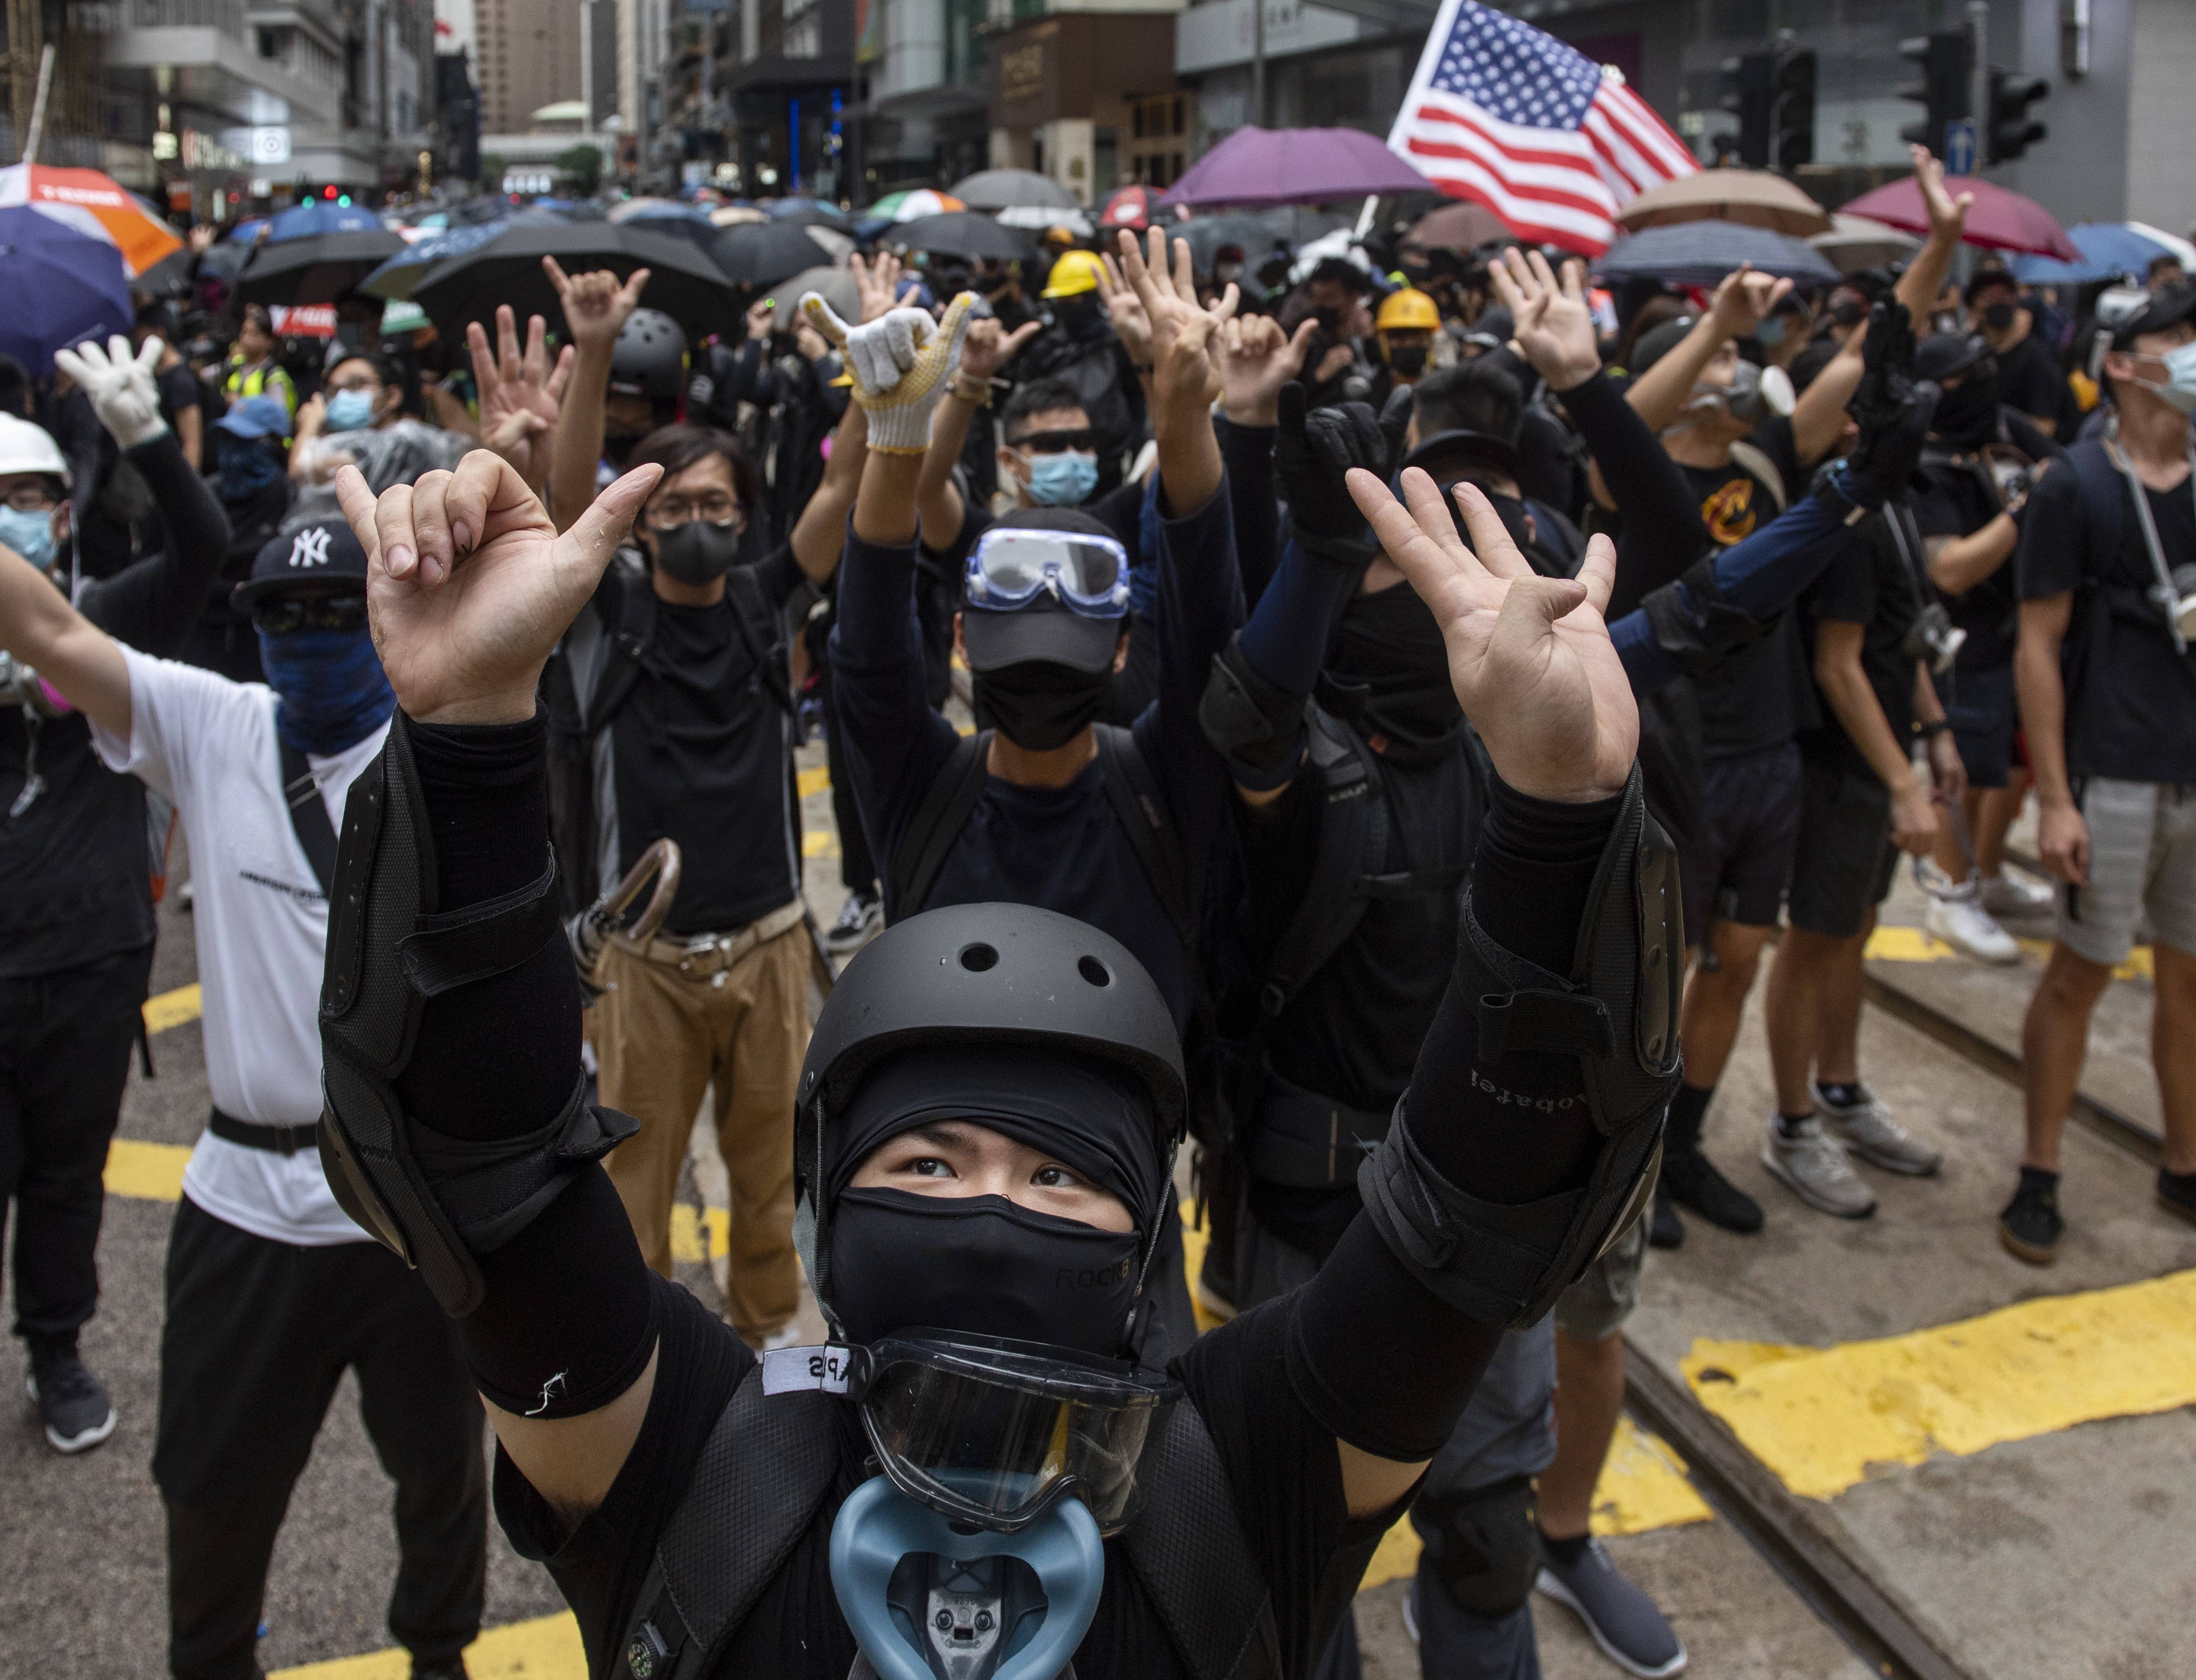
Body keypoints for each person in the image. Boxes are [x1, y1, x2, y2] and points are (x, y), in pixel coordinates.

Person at [306, 289, 1676, 1671]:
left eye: (1055, 1176)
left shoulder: (1223, 1486)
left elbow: (1472, 1226)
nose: (992, 1208)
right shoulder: (706, 1471)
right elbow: (489, 1187)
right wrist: (472, 734)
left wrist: (1564, 813)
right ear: (836, 1178)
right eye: (930, 1167)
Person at [0, 511, 487, 1680]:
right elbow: (43, 624)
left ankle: (440, 1655)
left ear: (384, 613)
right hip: (245, 1199)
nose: (313, 635)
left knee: (440, 1469)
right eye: (284, 614)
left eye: (337, 611)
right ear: (250, 627)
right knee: (208, 1482)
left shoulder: (455, 752)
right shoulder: (211, 724)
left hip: (409, 1204)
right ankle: (211, 1659)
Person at [1632, 149, 1968, 1245]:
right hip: (1669, 764)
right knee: (1652, 980)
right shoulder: (1627, 489)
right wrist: (1716, 331)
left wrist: (1939, 245)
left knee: (1737, 960)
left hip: (1768, 756)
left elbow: (1872, 355)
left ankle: (1682, 1147)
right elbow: (1617, 419)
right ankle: (1626, 1164)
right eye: (1713, 371)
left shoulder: (1773, 458)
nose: (1737, 382)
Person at [537, 262, 853, 1346]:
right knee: (633, 1199)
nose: (698, 521)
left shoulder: (767, 607)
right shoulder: (607, 615)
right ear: (640, 523)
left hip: (768, 950)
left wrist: (872, 381)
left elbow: (840, 497)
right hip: (645, 966)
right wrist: (591, 351)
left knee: (771, 1192)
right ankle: (652, 1369)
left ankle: (771, 1351)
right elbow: (569, 502)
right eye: (673, 506)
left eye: (718, 504)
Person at [0, 340, 227, 1456]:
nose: (19, 517)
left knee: (66, 1177)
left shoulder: (97, 637)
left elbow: (205, 549)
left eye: (34, 496)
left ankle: (58, 1347)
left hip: (89, 961)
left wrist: (149, 438)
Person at [2009, 279, 2196, 1263]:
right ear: (2119, 363)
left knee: (2189, 980)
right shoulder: (2075, 485)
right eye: (2175, 336)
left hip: (2190, 774)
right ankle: (2039, 1168)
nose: (2192, 350)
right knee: (2080, 974)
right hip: (2111, 770)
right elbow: (2036, 646)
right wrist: (2053, 796)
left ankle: (2183, 1157)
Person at [1759, 461, 1964, 1220]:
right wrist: (1900, 782)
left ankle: (1837, 1086)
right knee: (1813, 938)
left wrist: (1933, 730)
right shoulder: (1850, 517)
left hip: (1882, 760)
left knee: (1854, 931)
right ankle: (1790, 1123)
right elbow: (1837, 665)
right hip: (1841, 768)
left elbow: (1898, 639)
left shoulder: (1903, 502)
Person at [1903, 332, 2063, 963]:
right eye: (1962, 375)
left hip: (2018, 631)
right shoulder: (1925, 464)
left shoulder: (2003, 428)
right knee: (1962, 770)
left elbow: (2063, 466)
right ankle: (1951, 890)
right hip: (1960, 640)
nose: (1981, 381)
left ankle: (1988, 874)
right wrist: (2025, 510)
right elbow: (1951, 570)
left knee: (2014, 769)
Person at [1007, 246, 1148, 493]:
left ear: (1095, 296)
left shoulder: (1120, 344)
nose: (1067, 306)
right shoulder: (1047, 347)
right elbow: (1023, 407)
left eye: (1074, 298)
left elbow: (1138, 401)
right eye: (1061, 299)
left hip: (1108, 462)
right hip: (1052, 462)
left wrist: (1140, 455)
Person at [1965, 269, 2074, 439]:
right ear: (1973, 310)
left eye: (2005, 295)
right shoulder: (1977, 358)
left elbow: (2046, 427)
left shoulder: (2035, 357)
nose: (1998, 302)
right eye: (1989, 297)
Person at [221, 303, 298, 423]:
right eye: (244, 332)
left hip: (263, 440)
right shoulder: (234, 365)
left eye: (255, 334)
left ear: (270, 341)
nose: (246, 339)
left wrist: (241, 405)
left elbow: (278, 419)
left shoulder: (274, 375)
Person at [1369, 287, 1440, 406]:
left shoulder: (1446, 390)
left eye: (1416, 336)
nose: (1409, 344)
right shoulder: (1370, 391)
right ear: (1385, 341)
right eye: (1399, 337)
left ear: (1430, 340)